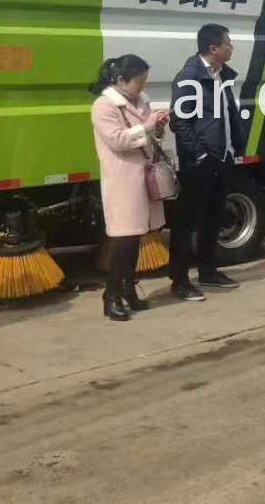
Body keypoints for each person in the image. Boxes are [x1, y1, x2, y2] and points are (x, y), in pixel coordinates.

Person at [89, 55, 170, 321]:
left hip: (142, 177)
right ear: (121, 80)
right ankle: (110, 295)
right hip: (122, 180)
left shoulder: (141, 100)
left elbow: (149, 138)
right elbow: (117, 141)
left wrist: (157, 129)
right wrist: (145, 127)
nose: (142, 86)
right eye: (139, 81)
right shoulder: (104, 106)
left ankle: (128, 290)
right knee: (123, 241)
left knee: (137, 238)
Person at [169, 24, 244, 301]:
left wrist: (234, 147)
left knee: (214, 217)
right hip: (198, 162)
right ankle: (179, 280)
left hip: (221, 156)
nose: (231, 47)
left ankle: (208, 271)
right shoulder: (190, 77)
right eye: (228, 43)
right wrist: (200, 154)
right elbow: (180, 121)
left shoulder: (219, 75)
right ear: (214, 48)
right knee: (186, 222)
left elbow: (225, 115)